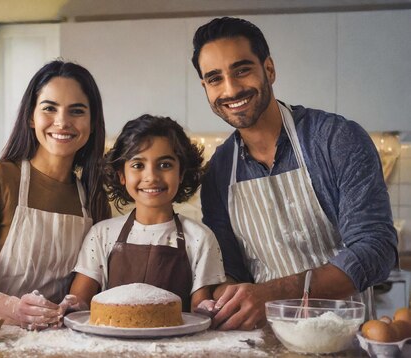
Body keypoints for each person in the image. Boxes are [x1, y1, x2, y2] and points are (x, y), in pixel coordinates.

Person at [191, 17, 398, 330]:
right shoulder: (219, 170)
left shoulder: (335, 140)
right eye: (215, 79)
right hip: (263, 338)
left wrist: (274, 295)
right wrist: (223, 298)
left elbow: (376, 248)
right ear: (205, 87)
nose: (230, 89)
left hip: (343, 335)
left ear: (269, 70)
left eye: (242, 70)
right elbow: (230, 267)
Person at [0, 60, 111, 329]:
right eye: (49, 108)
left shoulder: (93, 198)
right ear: (30, 116)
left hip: (59, 339)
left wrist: (78, 303)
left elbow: (94, 278)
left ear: (92, 123)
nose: (62, 122)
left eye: (77, 111)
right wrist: (12, 308)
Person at [68, 114, 226, 312]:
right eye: (138, 165)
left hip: (176, 341)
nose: (151, 176)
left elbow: (198, 308)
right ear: (121, 175)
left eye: (165, 165)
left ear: (181, 173)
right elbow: (79, 302)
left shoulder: (200, 237)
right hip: (113, 340)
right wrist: (68, 305)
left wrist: (210, 307)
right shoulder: (101, 234)